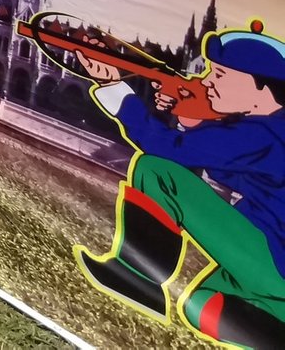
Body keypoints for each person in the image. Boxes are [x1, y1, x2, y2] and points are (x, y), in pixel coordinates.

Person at [74, 24, 285, 346]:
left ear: (262, 89)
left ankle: (136, 280)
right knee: (204, 303)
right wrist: (194, 122)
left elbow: (166, 148)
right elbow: (239, 173)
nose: (207, 81)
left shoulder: (260, 134)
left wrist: (112, 85)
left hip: (271, 258)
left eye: (220, 75)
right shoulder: (271, 129)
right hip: (271, 266)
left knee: (158, 172)